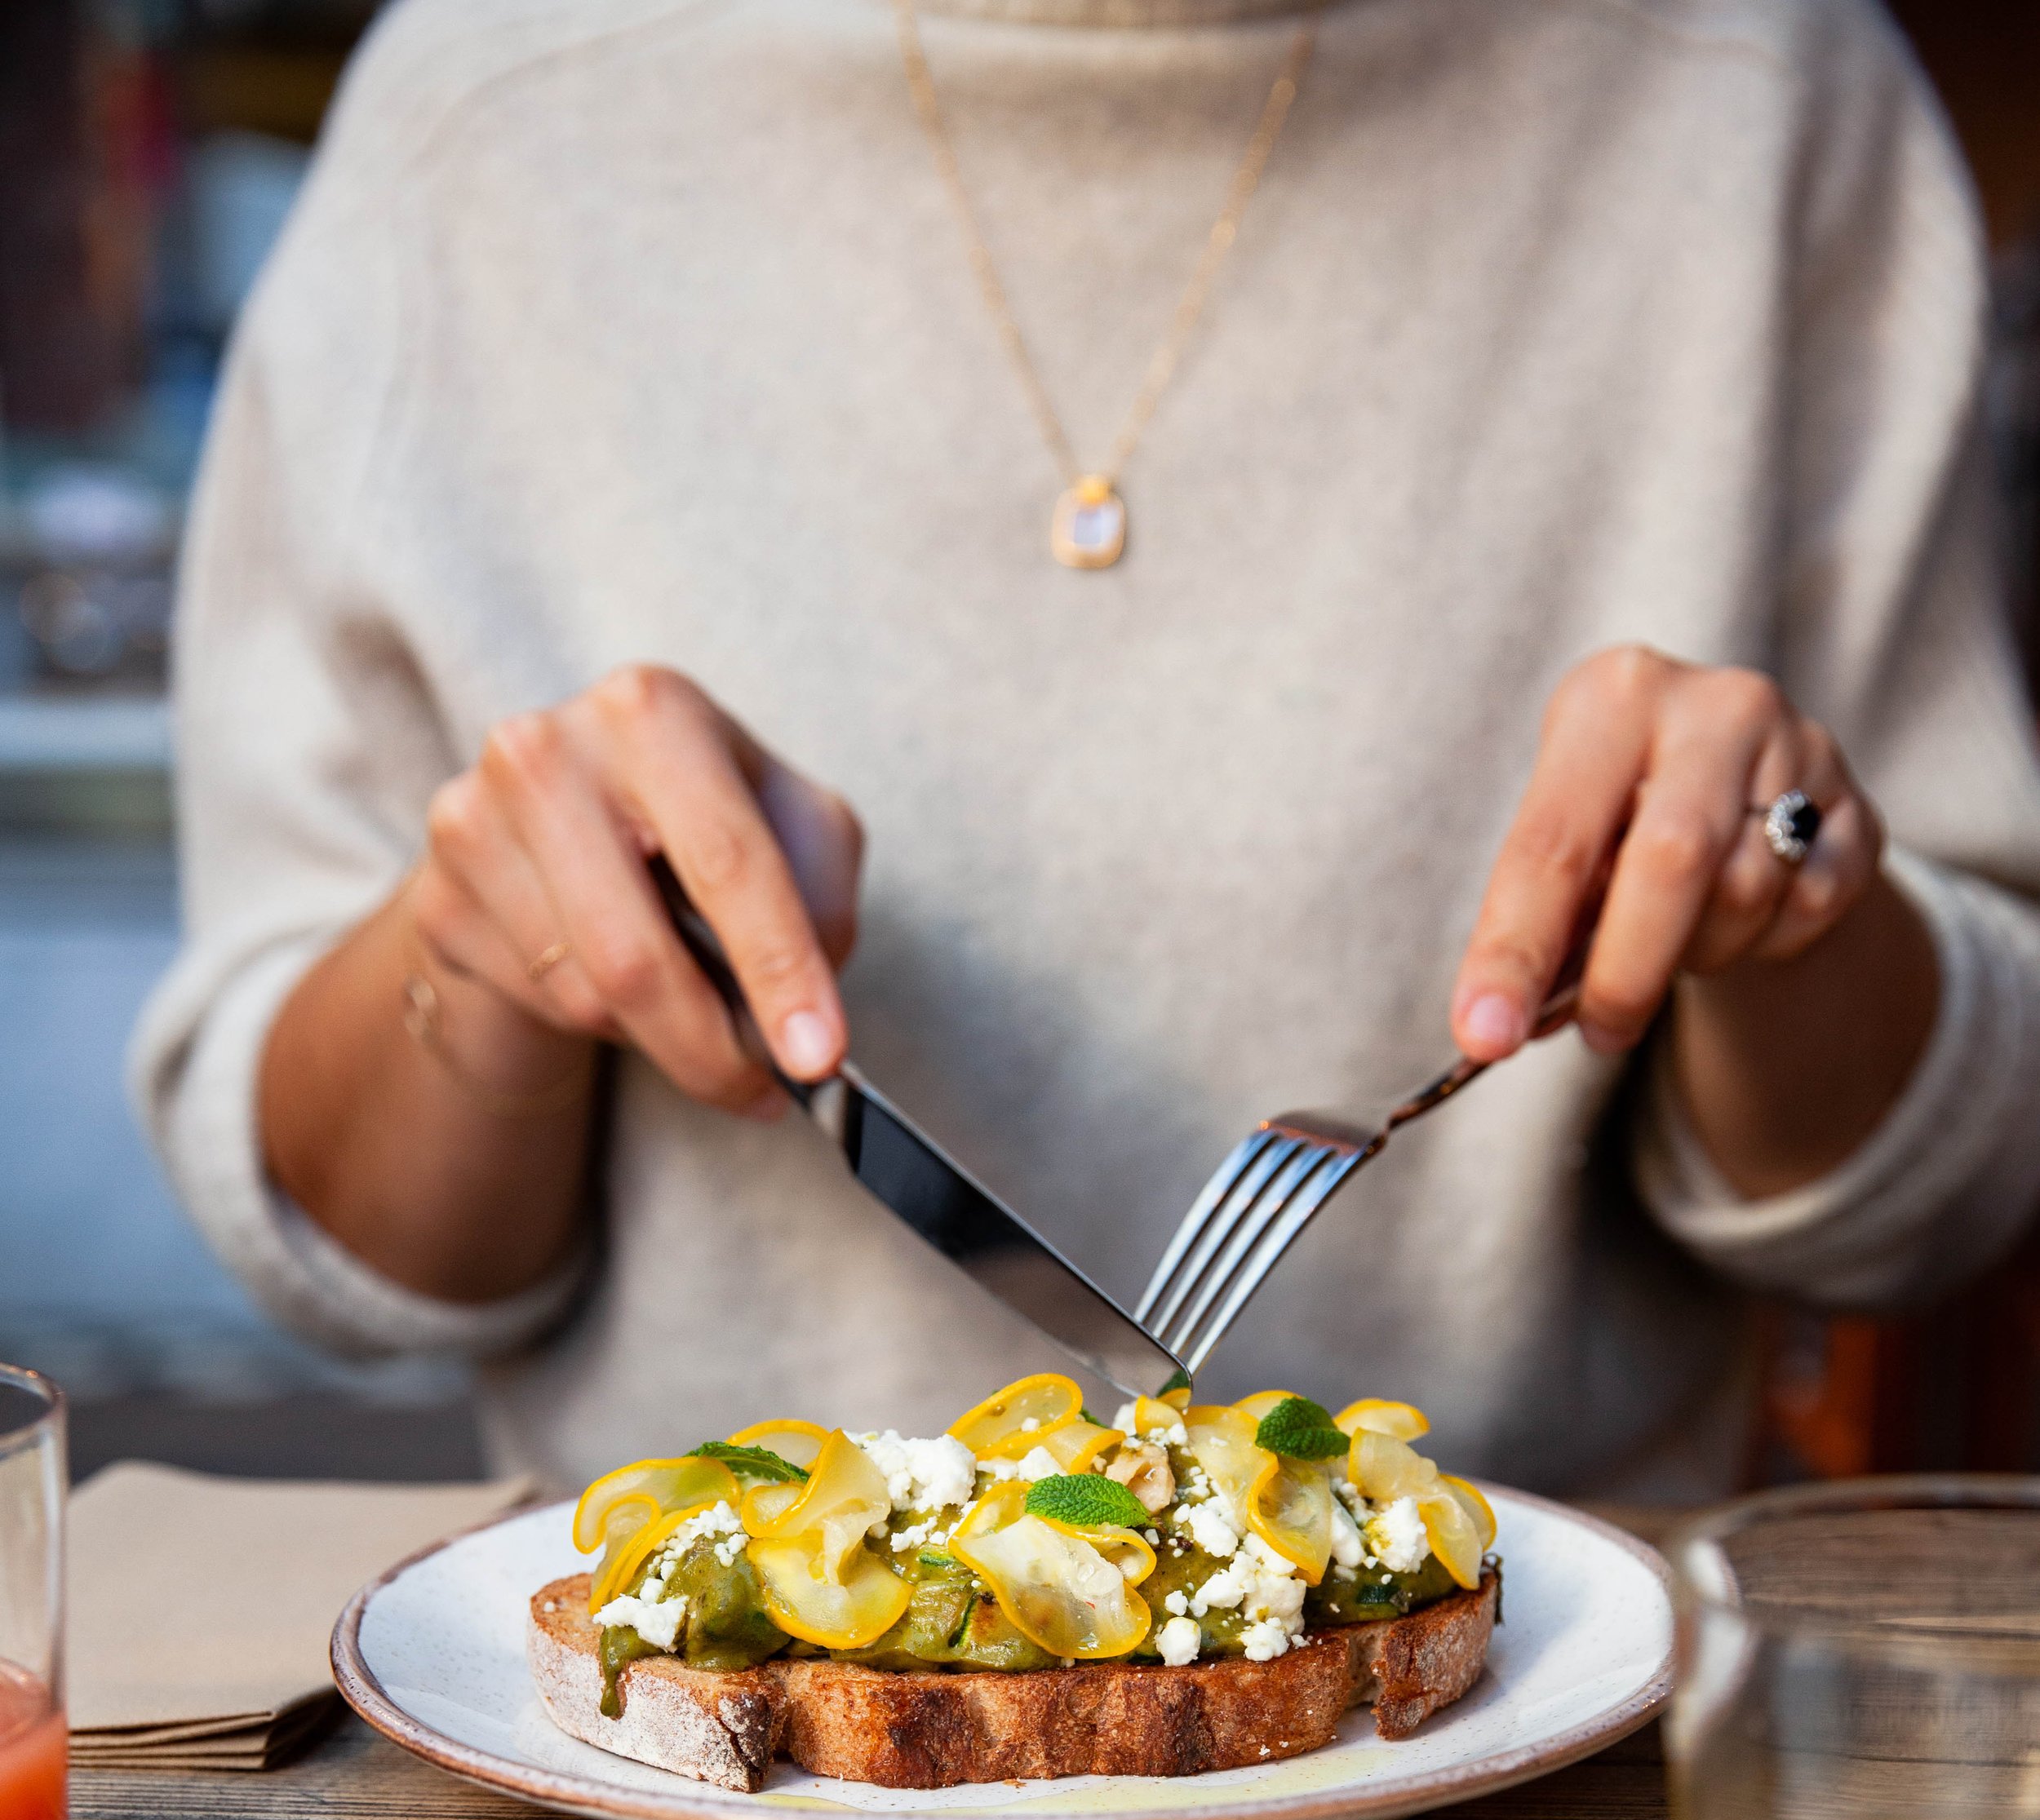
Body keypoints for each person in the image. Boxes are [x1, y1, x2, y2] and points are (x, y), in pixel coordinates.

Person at [135, 0, 2040, 1497]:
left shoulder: (1757, 84)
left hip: (1558, 1744)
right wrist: (482, 973)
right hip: (663, 1772)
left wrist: (1787, 907)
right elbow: (340, 1251)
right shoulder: (482, 106)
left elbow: (1944, 1188)